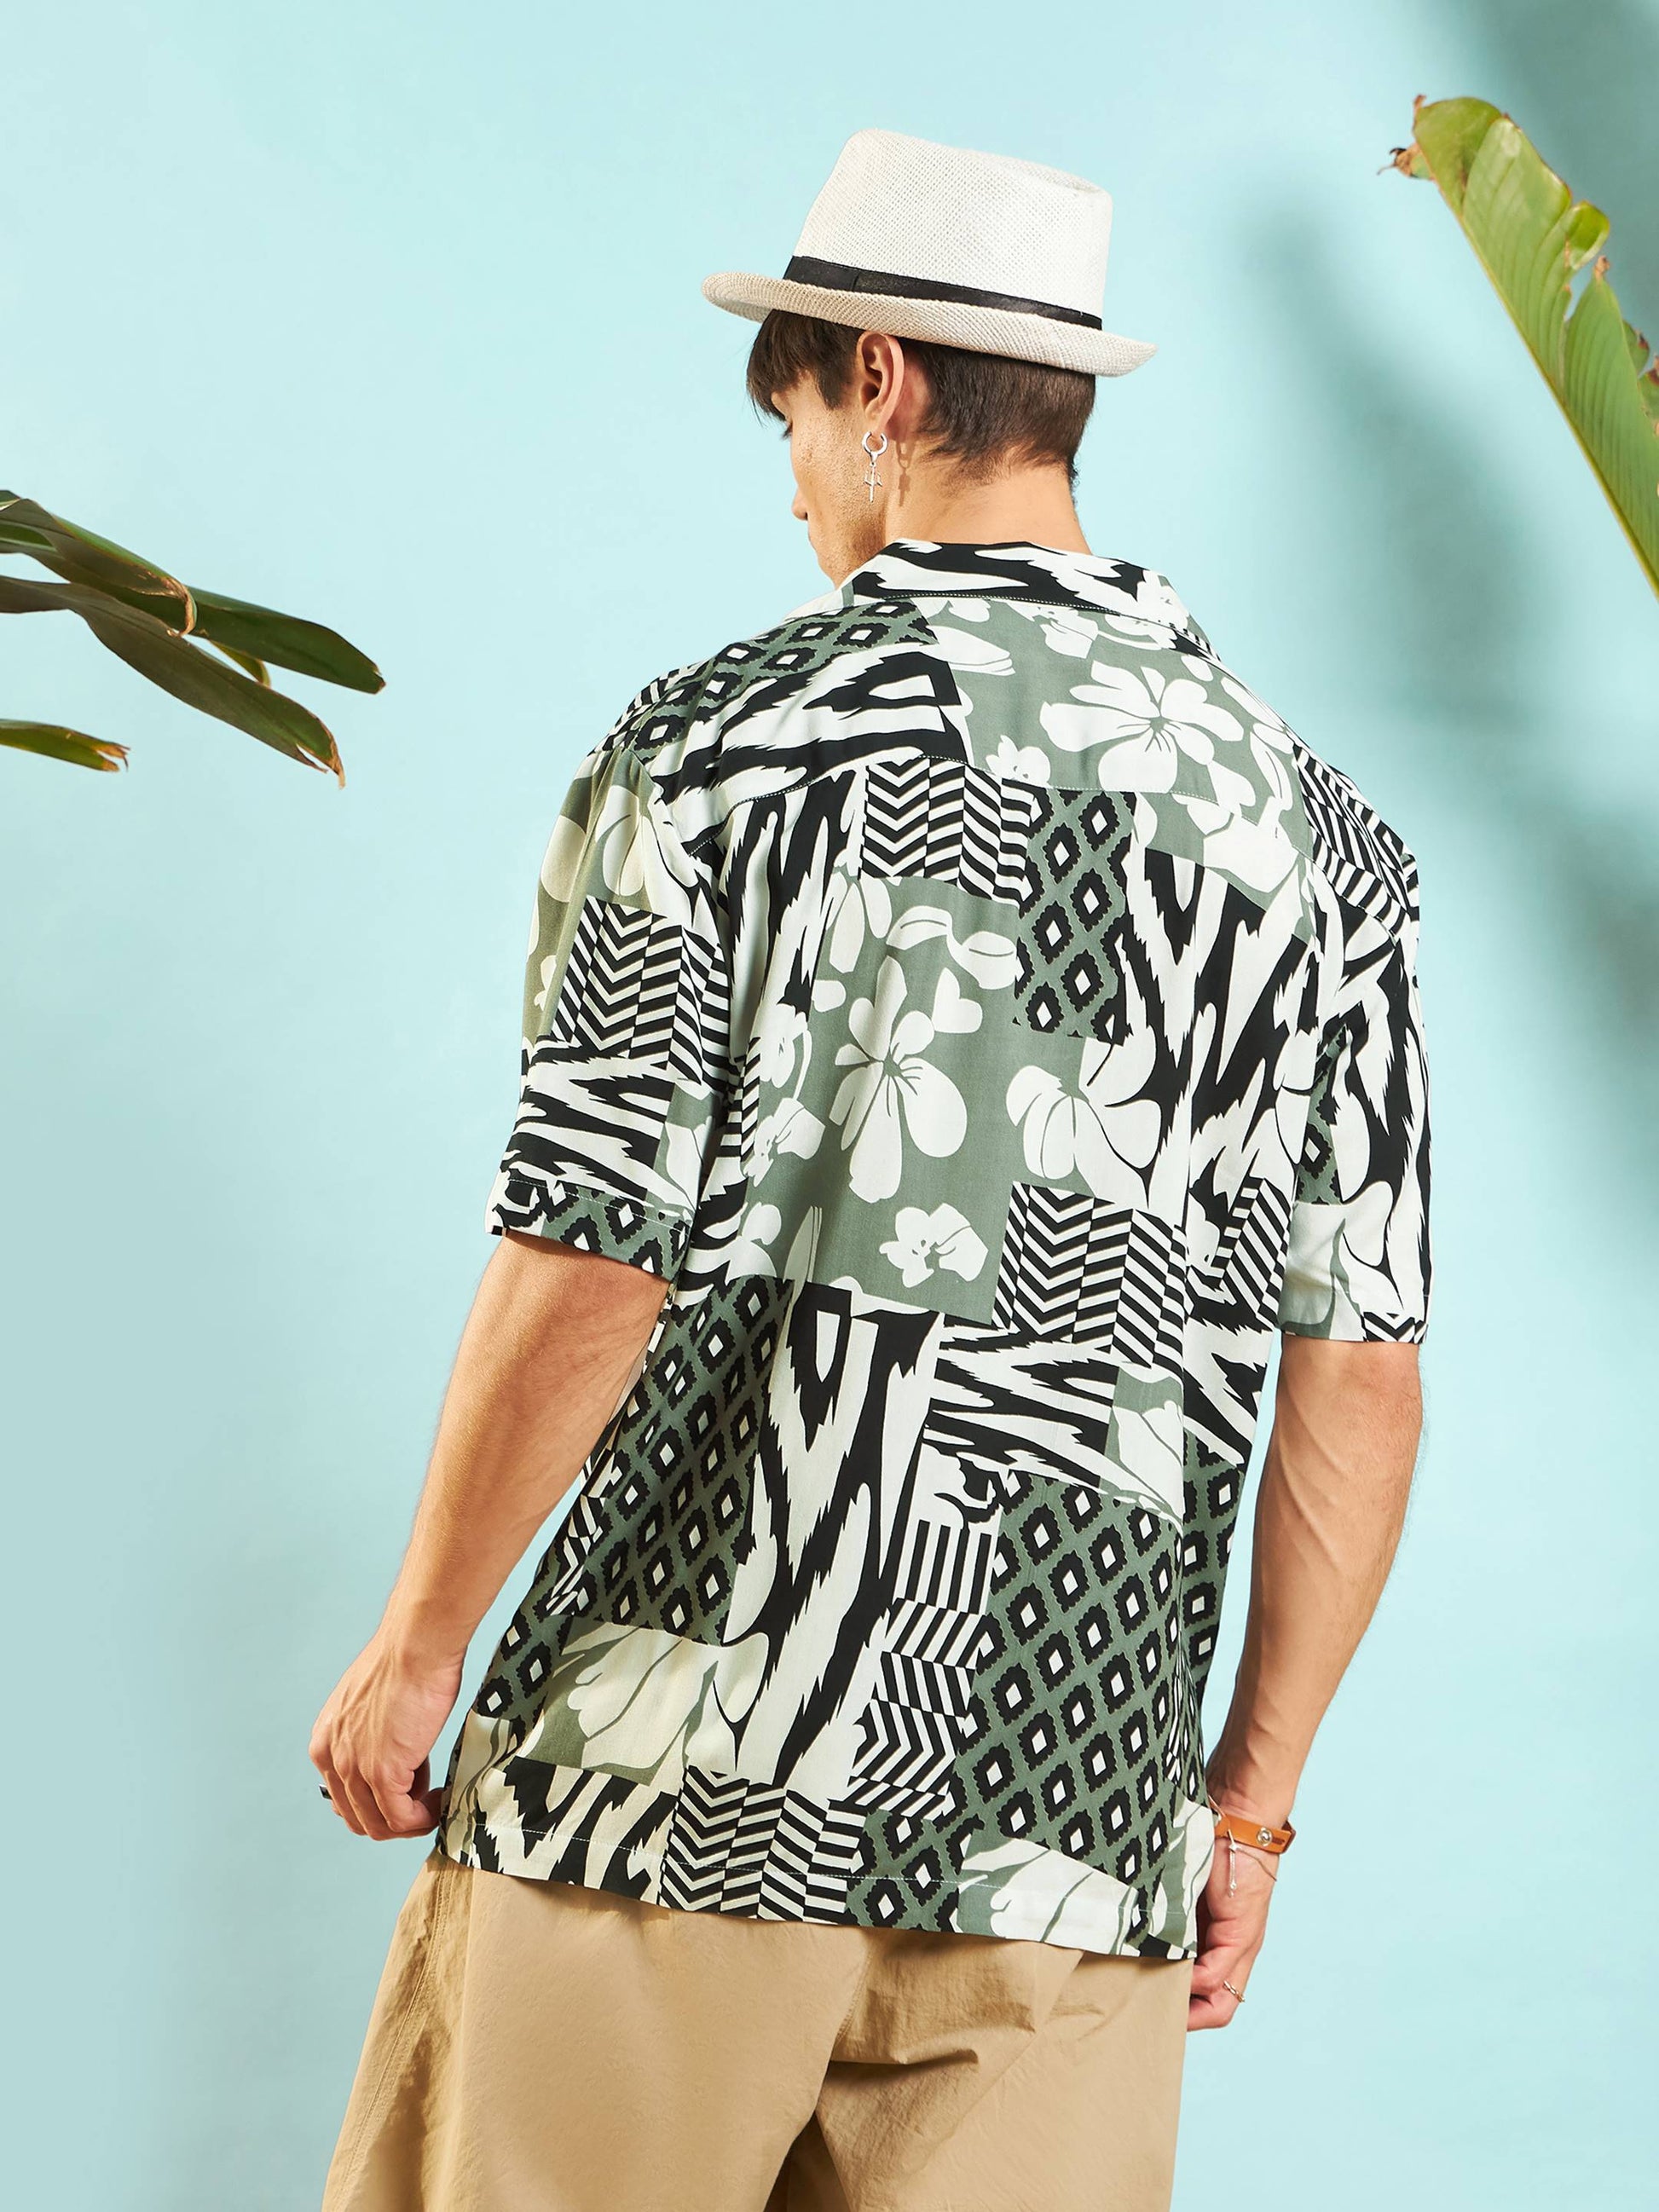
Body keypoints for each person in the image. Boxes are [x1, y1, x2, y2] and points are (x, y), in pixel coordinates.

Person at [312, 127, 1431, 2212]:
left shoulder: (722, 749)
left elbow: (595, 1252)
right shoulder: (1318, 837)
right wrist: (1245, 1809)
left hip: (674, 1782)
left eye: (795, 420)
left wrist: (422, 1635)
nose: (794, 482)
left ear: (883, 383)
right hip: (1067, 1821)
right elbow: (1356, 1373)